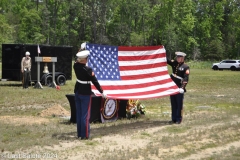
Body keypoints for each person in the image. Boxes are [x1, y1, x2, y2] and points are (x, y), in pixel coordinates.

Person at [73, 49, 107, 140]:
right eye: (87, 58)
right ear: (84, 59)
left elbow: (76, 61)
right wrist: (102, 92)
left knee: (79, 114)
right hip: (85, 93)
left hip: (78, 91)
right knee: (85, 115)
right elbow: (95, 81)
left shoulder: (75, 66)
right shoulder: (88, 69)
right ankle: (85, 135)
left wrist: (79, 52)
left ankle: (80, 134)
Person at [167, 52, 190, 124]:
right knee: (173, 103)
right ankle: (173, 118)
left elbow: (186, 78)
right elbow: (167, 60)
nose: (177, 58)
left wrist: (182, 88)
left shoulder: (186, 67)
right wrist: (163, 51)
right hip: (172, 86)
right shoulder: (174, 63)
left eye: (179, 57)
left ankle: (178, 119)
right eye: (177, 57)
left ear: (182, 58)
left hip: (179, 87)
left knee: (179, 104)